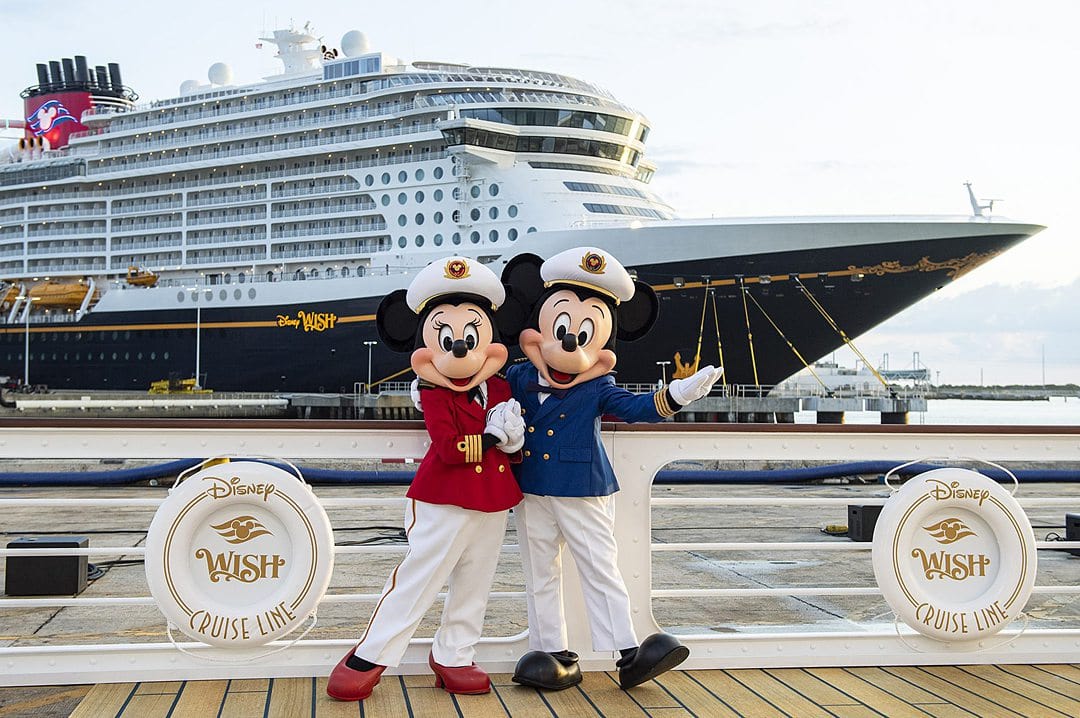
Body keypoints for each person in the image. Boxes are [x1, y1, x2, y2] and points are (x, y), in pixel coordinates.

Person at [500, 247, 723, 690]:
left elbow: (636, 407)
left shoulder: (599, 384)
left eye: (583, 334)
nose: (568, 342)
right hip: (531, 488)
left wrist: (678, 395)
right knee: (539, 571)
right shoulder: (520, 376)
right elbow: (484, 395)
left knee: (600, 567)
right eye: (561, 328)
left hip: (583, 487)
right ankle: (554, 651)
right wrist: (428, 389)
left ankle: (627, 652)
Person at [326, 257, 525, 702]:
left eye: (472, 336)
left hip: (492, 497)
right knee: (419, 575)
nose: (460, 348)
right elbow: (450, 445)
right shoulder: (433, 392)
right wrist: (494, 437)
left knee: (477, 580)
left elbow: (513, 431)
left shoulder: (502, 389)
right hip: (444, 496)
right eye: (448, 337)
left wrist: (514, 442)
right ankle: (370, 653)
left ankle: (455, 652)